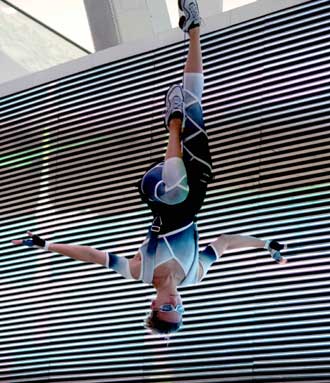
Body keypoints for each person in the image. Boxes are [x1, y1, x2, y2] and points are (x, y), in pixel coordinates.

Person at [12, 0, 287, 335]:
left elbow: (92, 255)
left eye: (167, 308)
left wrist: (46, 245)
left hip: (158, 189)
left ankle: (171, 123)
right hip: (195, 188)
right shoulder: (195, 273)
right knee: (194, 104)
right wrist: (264, 245)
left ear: (154, 306)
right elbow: (225, 242)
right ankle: (194, 28)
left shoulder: (139, 271)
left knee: (174, 188)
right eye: (179, 309)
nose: (175, 302)